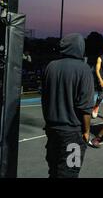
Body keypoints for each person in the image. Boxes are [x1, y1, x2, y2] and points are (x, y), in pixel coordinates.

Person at [41, 33, 94, 178]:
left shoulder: (50, 66)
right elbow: (85, 106)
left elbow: (45, 98)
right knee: (70, 172)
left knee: (53, 170)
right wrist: (87, 131)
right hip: (72, 132)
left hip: (52, 130)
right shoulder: (84, 69)